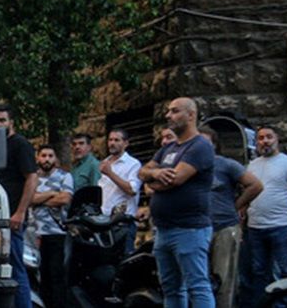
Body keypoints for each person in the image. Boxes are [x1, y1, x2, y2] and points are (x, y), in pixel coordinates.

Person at [139, 97, 216, 308]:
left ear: (191, 115)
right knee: (170, 288)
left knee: (197, 286)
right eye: (168, 111)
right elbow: (142, 171)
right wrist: (156, 173)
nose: (168, 115)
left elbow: (174, 180)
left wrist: (152, 180)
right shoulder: (169, 148)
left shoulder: (200, 146)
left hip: (189, 229)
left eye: (174, 111)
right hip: (163, 230)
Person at [238, 126, 287, 308]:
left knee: (282, 272)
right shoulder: (252, 165)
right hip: (255, 227)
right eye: (260, 138)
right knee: (258, 271)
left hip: (281, 226)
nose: (265, 141)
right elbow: (247, 193)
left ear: (277, 139)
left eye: (269, 137)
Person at [199, 126, 261, 308]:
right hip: (197, 228)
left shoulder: (226, 165)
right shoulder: (189, 167)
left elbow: (255, 185)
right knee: (200, 280)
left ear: (214, 145)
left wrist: (236, 206)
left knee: (224, 279)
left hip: (224, 227)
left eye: (206, 142)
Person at [0, 102, 38, 308]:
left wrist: (20, 212)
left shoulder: (20, 145)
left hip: (12, 218)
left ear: (11, 122)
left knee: (15, 268)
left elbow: (32, 178)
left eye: (2, 120)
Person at [31, 145, 73, 308]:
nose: (47, 159)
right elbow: (29, 199)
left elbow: (65, 199)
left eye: (50, 156)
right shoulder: (32, 178)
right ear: (37, 158)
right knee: (40, 275)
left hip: (56, 232)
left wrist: (38, 199)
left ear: (55, 158)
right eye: (43, 156)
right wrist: (51, 193)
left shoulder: (65, 176)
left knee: (56, 274)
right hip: (34, 233)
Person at [98, 128, 142, 253]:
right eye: (110, 140)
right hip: (104, 223)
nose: (112, 143)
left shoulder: (133, 164)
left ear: (126, 143)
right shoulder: (104, 163)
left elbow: (132, 189)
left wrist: (110, 173)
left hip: (123, 222)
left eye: (117, 140)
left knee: (124, 258)